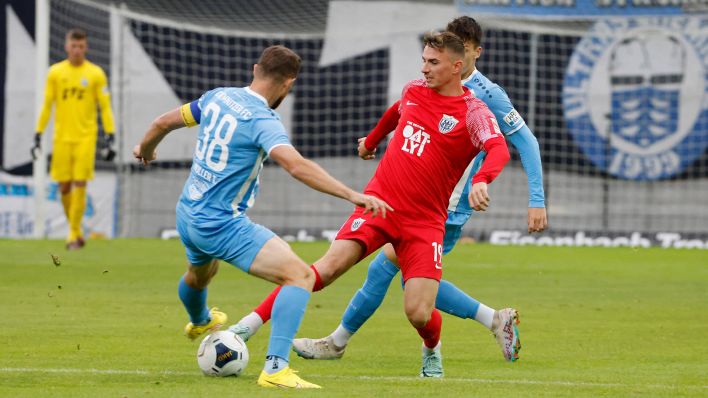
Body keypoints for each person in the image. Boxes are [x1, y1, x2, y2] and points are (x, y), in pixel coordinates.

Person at [230, 16, 546, 375]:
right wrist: (372, 140)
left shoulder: (477, 107)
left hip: (431, 218)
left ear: (462, 61)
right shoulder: (414, 89)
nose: (424, 68)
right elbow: (397, 111)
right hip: (380, 205)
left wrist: (484, 180)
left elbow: (502, 148)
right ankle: (250, 327)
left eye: (433, 62)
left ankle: (431, 346)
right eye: (424, 60)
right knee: (325, 270)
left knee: (418, 310)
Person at [132, 45, 391, 389]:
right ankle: (276, 368)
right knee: (300, 277)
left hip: (188, 213)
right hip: (220, 223)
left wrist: (146, 149)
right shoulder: (262, 120)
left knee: (199, 275)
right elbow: (295, 165)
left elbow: (161, 122)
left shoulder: (218, 97)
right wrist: (352, 195)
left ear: (255, 69)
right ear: (288, 84)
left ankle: (200, 321)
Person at [32, 28, 116, 250]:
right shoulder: (55, 73)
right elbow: (47, 105)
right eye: (73, 45)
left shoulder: (96, 74)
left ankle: (71, 235)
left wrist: (110, 135)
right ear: (66, 46)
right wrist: (38, 134)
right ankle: (76, 231)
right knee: (64, 187)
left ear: (86, 47)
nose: (77, 50)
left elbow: (105, 107)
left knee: (80, 182)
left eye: (81, 46)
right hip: (61, 138)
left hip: (86, 138)